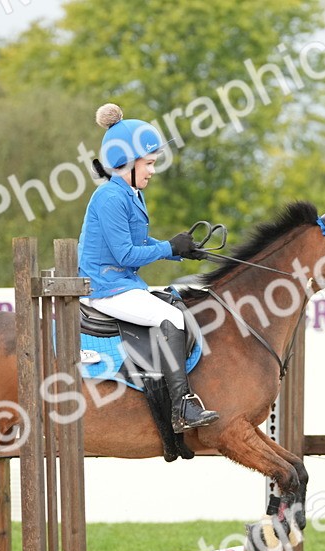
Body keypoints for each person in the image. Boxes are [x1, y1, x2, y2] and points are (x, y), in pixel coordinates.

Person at [79, 103, 219, 433]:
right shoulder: (110, 198)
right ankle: (182, 406)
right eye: (150, 163)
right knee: (170, 318)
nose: (153, 170)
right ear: (124, 162)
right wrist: (169, 246)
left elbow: (136, 244)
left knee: (173, 305)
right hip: (104, 287)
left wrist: (181, 253)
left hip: (122, 283)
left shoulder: (130, 193)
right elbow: (126, 254)